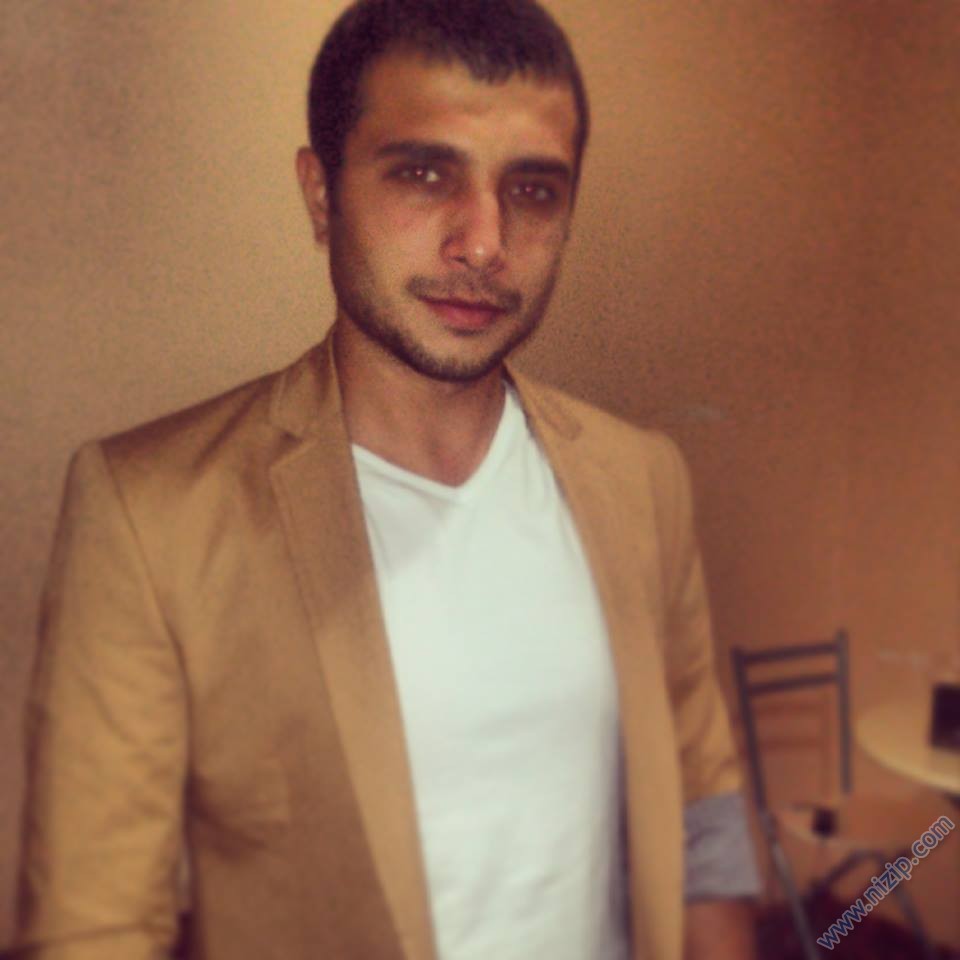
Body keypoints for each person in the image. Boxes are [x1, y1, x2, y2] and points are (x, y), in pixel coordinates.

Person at [15, 1, 760, 958]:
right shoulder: (151, 514)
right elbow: (95, 927)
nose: (484, 241)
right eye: (424, 173)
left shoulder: (641, 477)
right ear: (321, 195)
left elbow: (699, 795)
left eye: (533, 190)